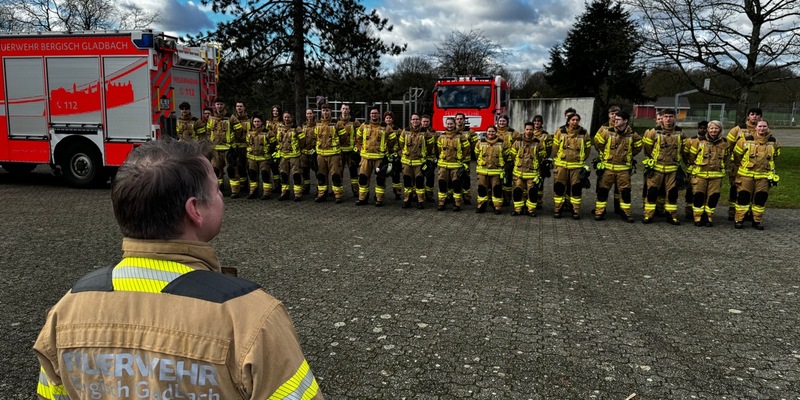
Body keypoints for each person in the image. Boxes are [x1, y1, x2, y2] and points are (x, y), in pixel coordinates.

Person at [33, 139, 322, 400]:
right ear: (195, 210)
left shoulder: (66, 312)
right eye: (216, 189)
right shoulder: (251, 318)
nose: (221, 195)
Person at [592, 111, 642, 222]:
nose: (615, 121)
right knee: (603, 190)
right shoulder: (607, 132)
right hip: (608, 168)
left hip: (623, 169)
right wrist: (606, 155)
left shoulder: (632, 135)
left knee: (625, 192)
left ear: (625, 121)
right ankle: (599, 212)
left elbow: (638, 146)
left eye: (618, 119)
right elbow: (598, 144)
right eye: (615, 119)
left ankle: (626, 213)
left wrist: (628, 155)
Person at [732, 119, 780, 230]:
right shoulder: (745, 140)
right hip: (746, 175)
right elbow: (737, 156)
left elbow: (776, 157)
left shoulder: (774, 142)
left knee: (760, 198)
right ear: (756, 128)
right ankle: (739, 220)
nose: (762, 128)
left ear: (768, 128)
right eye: (760, 126)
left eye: (764, 126)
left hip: (763, 176)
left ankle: (757, 221)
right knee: (743, 197)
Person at [641, 108, 686, 224]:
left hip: (672, 169)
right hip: (656, 168)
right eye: (666, 117)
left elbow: (685, 149)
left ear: (675, 118)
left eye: (671, 117)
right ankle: (648, 215)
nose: (668, 119)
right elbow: (647, 148)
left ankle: (671, 216)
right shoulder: (654, 132)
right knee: (652, 192)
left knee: (672, 194)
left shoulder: (681, 132)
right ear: (662, 118)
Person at [686, 120, 728, 226]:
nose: (714, 130)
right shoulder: (698, 141)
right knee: (698, 196)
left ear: (720, 130)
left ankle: (709, 217)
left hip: (716, 175)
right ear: (708, 129)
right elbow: (691, 157)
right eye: (711, 128)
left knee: (713, 197)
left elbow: (726, 158)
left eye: (716, 128)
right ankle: (698, 218)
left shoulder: (725, 143)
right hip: (700, 174)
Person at [552, 113, 591, 219]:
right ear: (568, 121)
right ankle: (558, 209)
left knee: (576, 189)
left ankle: (576, 210)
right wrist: (558, 158)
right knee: (559, 188)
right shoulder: (560, 131)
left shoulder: (584, 133)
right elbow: (555, 148)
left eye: (577, 120)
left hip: (576, 166)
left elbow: (587, 149)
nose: (575, 122)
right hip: (561, 165)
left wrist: (581, 158)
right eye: (573, 120)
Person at [355, 107, 397, 206]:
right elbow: (358, 137)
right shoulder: (364, 125)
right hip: (366, 158)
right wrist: (362, 148)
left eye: (376, 113)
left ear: (379, 115)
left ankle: (379, 199)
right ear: (370, 115)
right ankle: (362, 198)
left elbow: (392, 139)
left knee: (380, 179)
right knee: (363, 178)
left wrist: (387, 149)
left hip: (379, 158)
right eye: (372, 113)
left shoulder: (386, 127)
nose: (374, 115)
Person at [725, 107, 762, 221]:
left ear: (760, 117)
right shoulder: (738, 129)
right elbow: (728, 146)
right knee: (735, 187)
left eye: (757, 114)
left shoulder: (762, 130)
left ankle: (748, 212)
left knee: (752, 189)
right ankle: (732, 211)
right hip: (737, 165)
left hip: (755, 167)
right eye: (752, 114)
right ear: (748, 116)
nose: (754, 116)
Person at [509, 122, 546, 216]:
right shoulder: (517, 142)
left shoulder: (538, 142)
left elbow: (541, 156)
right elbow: (513, 155)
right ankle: (518, 210)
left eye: (531, 129)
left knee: (532, 192)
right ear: (524, 130)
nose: (529, 131)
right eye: (527, 129)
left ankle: (531, 210)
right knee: (517, 191)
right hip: (519, 172)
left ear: (533, 130)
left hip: (532, 173)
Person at [399, 113, 434, 208]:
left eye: (417, 119)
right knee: (407, 182)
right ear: (411, 121)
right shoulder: (405, 131)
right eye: (413, 119)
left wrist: (424, 154)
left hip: (419, 162)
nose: (415, 121)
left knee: (419, 182)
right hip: (407, 162)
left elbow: (430, 145)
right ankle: (407, 200)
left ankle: (420, 201)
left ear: (419, 121)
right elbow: (401, 143)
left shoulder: (425, 132)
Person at [311, 104, 345, 203]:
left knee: (335, 175)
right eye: (323, 110)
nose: (325, 112)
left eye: (327, 110)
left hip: (334, 155)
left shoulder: (337, 124)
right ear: (321, 112)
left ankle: (337, 195)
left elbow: (343, 138)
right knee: (321, 175)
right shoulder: (317, 124)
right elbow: (314, 138)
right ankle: (322, 194)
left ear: (331, 111)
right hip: (321, 155)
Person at [436, 117, 470, 211]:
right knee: (442, 184)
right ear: (445, 124)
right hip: (443, 165)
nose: (450, 125)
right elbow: (438, 149)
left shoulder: (461, 136)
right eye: (448, 124)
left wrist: (461, 158)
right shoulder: (441, 137)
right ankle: (442, 203)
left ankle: (457, 203)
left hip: (456, 165)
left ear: (454, 124)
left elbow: (466, 148)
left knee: (456, 185)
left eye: (451, 124)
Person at [474, 125, 508, 214]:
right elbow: (476, 153)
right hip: (482, 170)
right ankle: (481, 205)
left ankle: (497, 207)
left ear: (496, 132)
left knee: (497, 189)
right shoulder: (480, 142)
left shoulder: (502, 143)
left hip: (496, 171)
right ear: (486, 132)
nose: (491, 133)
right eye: (489, 131)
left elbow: (506, 155)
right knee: (482, 188)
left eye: (493, 131)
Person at [207, 98, 237, 195]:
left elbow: (238, 130)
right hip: (215, 149)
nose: (219, 106)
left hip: (228, 148)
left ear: (224, 105)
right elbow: (208, 131)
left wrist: (233, 140)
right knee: (216, 170)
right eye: (217, 104)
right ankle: (219, 189)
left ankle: (235, 191)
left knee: (231, 169)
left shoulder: (231, 117)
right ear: (215, 105)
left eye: (221, 104)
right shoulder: (211, 118)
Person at [245, 114, 278, 199]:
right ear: (252, 122)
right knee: (252, 175)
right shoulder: (249, 132)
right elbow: (247, 143)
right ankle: (253, 191)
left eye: (258, 121)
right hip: (252, 158)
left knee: (265, 175)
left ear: (262, 122)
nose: (256, 123)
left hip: (264, 158)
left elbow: (273, 144)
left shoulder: (268, 132)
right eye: (255, 121)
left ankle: (266, 193)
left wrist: (268, 152)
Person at [277, 111, 306, 201]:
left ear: (292, 118)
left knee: (296, 175)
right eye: (285, 117)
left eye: (288, 117)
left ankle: (297, 194)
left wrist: (297, 149)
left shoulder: (297, 128)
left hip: (294, 156)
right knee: (284, 175)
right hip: (283, 156)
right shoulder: (279, 128)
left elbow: (302, 141)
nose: (286, 119)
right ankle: (284, 193)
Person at [684, 121, 708, 219]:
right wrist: (688, 163)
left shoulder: (709, 142)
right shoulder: (691, 140)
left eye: (705, 128)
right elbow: (685, 153)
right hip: (692, 170)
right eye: (701, 128)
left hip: (704, 171)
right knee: (690, 191)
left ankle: (701, 210)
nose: (703, 130)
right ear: (698, 129)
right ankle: (689, 209)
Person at [336, 103, 361, 197]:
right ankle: (338, 190)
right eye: (343, 109)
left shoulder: (355, 122)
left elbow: (359, 136)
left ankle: (356, 190)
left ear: (349, 110)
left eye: (346, 109)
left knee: (353, 171)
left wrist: (357, 148)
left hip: (351, 151)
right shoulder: (336, 122)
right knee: (339, 171)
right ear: (340, 110)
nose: (345, 111)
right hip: (339, 151)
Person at [495, 115, 518, 206]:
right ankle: (495, 198)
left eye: (504, 121)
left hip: (509, 161)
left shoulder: (513, 133)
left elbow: (518, 145)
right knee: (496, 180)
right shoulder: (493, 131)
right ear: (497, 122)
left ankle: (507, 199)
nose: (502, 123)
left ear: (507, 122)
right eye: (500, 121)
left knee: (507, 181)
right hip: (496, 161)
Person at [531, 115, 552, 210]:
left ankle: (539, 201)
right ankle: (530, 200)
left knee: (540, 182)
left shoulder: (546, 135)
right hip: (530, 162)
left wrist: (545, 158)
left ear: (541, 123)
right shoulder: (529, 133)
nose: (536, 123)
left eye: (538, 121)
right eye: (535, 121)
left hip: (541, 162)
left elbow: (549, 149)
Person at [454, 113, 476, 205]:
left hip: (465, 160)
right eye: (457, 119)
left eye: (461, 119)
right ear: (455, 120)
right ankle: (453, 197)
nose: (459, 120)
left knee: (466, 178)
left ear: (464, 120)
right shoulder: (451, 131)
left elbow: (475, 145)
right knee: (455, 179)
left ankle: (466, 197)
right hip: (454, 160)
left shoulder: (470, 132)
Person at [231, 101, 251, 197]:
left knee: (248, 166)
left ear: (244, 108)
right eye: (237, 106)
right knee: (238, 167)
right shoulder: (231, 119)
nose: (239, 108)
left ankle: (248, 185)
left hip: (246, 147)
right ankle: (242, 185)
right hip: (236, 146)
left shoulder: (250, 120)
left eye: (241, 106)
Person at [383, 111, 403, 200]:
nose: (388, 120)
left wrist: (399, 153)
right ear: (384, 119)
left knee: (396, 175)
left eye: (390, 118)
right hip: (384, 155)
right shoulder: (381, 129)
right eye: (387, 118)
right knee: (382, 174)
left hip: (395, 155)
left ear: (392, 119)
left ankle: (397, 192)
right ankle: (380, 194)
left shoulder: (398, 130)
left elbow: (401, 142)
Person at [420, 115, 438, 202]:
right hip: (419, 159)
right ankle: (418, 195)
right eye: (424, 121)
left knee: (430, 178)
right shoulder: (418, 132)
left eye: (427, 121)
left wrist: (436, 158)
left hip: (430, 159)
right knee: (419, 178)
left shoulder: (435, 133)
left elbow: (438, 146)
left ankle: (429, 195)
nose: (425, 123)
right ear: (421, 122)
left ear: (430, 122)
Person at [300, 109, 317, 195]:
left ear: (313, 114)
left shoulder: (317, 125)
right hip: (304, 152)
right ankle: (306, 187)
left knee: (317, 171)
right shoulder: (303, 125)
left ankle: (319, 188)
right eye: (307, 114)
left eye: (310, 113)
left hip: (314, 151)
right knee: (304, 171)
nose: (309, 115)